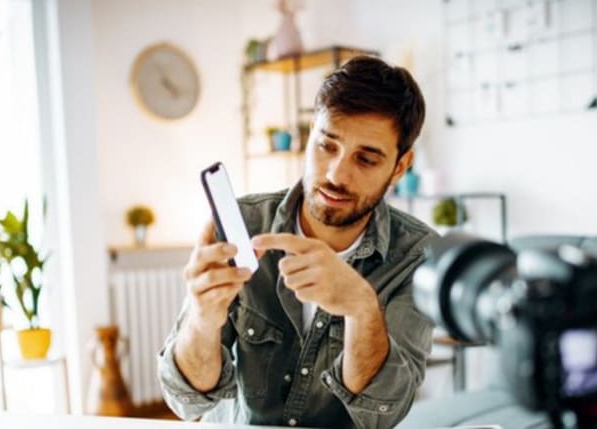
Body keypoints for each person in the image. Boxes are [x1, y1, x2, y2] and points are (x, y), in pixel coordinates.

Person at [158, 56, 436, 429]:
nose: (337, 174)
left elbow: (382, 413)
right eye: (327, 146)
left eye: (366, 159)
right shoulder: (243, 225)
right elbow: (185, 399)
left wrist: (361, 306)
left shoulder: (418, 257)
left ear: (400, 167)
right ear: (309, 136)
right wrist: (203, 318)